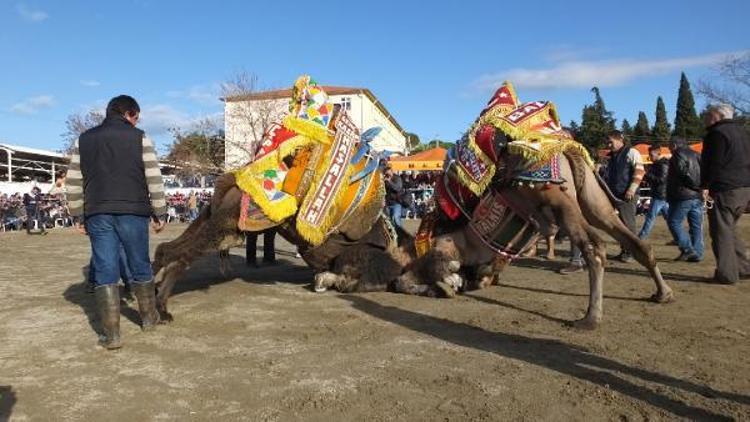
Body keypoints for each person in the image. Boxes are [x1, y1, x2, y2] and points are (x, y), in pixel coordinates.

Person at [66, 95, 167, 349]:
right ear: (129, 114)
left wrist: (77, 214)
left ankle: (111, 335)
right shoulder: (140, 137)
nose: (137, 122)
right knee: (140, 263)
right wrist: (160, 211)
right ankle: (148, 318)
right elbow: (153, 176)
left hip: (98, 212)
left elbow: (74, 181)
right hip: (133, 210)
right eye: (136, 117)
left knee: (104, 267)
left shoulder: (84, 139)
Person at [701, 104, 750, 284]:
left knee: (720, 232)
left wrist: (705, 185)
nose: (705, 117)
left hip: (724, 189)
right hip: (744, 189)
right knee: (730, 230)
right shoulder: (742, 133)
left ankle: (727, 275)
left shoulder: (717, 134)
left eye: (708, 114)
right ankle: (744, 268)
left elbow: (714, 163)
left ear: (717, 115)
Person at [603, 130, 644, 262]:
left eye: (610, 142)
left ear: (620, 140)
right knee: (620, 226)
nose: (608, 145)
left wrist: (631, 189)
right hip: (616, 194)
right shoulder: (612, 157)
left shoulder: (632, 152)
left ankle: (633, 252)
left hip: (627, 195)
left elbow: (640, 172)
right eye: (607, 142)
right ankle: (625, 251)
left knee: (628, 224)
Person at [665, 137, 704, 262]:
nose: (669, 148)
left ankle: (688, 249)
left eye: (670, 145)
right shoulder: (697, 154)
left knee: (673, 222)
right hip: (697, 195)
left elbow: (683, 173)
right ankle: (697, 253)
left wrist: (693, 185)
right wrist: (701, 188)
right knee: (696, 225)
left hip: (683, 194)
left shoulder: (678, 154)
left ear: (675, 145)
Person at [638, 145, 670, 239]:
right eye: (649, 154)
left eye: (651, 155)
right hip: (661, 195)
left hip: (659, 195)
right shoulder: (658, 164)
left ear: (658, 154)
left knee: (650, 218)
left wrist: (647, 175)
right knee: (670, 219)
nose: (650, 157)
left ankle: (640, 238)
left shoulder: (663, 164)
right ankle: (679, 237)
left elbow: (662, 180)